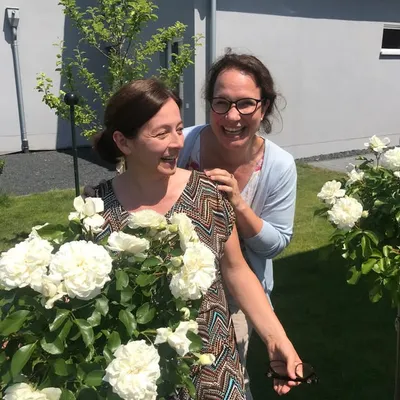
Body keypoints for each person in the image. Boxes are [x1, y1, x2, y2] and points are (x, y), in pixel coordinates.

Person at [89, 78, 301, 398]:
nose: (177, 143)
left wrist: (276, 339)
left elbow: (236, 270)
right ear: (123, 141)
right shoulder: (98, 208)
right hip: (137, 375)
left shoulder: (208, 194)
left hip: (212, 363)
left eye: (179, 129)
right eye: (162, 133)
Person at [177, 52, 297, 398]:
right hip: (176, 287)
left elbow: (275, 244)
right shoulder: (183, 145)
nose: (232, 116)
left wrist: (238, 204)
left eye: (245, 104)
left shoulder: (278, 166)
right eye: (221, 103)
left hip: (237, 299)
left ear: (264, 106)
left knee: (228, 381)